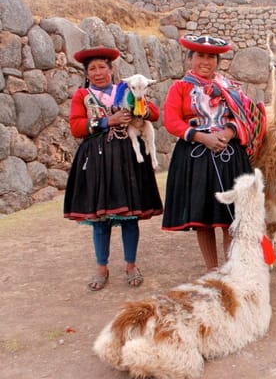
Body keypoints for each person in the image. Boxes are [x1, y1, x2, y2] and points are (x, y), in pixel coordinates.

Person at [161, 34, 265, 272]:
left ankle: (230, 269)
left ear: (218, 61)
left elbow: (245, 117)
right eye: (200, 56)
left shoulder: (230, 89)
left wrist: (228, 133)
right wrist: (201, 136)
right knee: (204, 217)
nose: (205, 62)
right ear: (190, 59)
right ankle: (212, 270)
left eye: (211, 57)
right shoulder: (180, 88)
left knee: (230, 217)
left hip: (230, 157)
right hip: (196, 158)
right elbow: (172, 120)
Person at [63, 46, 163, 291]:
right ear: (87, 73)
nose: (98, 73)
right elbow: (76, 126)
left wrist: (142, 110)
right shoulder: (82, 96)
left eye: (102, 67)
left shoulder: (127, 89)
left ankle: (131, 265)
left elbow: (154, 113)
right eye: (92, 69)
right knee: (100, 218)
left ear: (111, 69)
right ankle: (101, 266)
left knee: (129, 216)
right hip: (97, 161)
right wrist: (108, 121)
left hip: (128, 158)